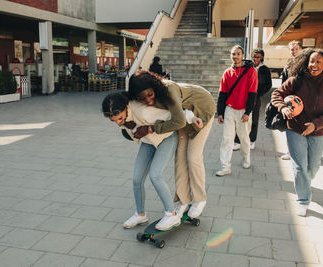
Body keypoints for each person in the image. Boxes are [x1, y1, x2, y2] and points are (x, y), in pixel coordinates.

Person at [102, 92, 202, 230]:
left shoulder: (143, 112)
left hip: (166, 138)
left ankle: (171, 213)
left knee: (155, 175)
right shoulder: (124, 116)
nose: (119, 123)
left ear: (126, 107)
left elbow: (174, 115)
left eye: (120, 119)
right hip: (148, 141)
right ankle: (140, 214)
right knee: (137, 178)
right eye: (114, 121)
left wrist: (192, 117)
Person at [128, 70, 216, 219]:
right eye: (142, 98)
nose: (148, 100)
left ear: (154, 87)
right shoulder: (142, 97)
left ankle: (200, 199)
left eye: (150, 95)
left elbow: (179, 121)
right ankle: (183, 200)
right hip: (182, 117)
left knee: (193, 157)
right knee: (180, 159)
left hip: (201, 109)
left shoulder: (168, 90)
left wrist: (151, 128)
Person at [271, 48, 323, 216]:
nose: (314, 64)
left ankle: (305, 183)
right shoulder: (296, 80)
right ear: (307, 63)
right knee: (299, 167)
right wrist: (282, 107)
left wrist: (316, 124)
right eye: (312, 61)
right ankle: (303, 200)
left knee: (312, 167)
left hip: (317, 132)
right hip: (295, 129)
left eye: (318, 62)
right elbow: (277, 93)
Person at [216, 45, 258, 176]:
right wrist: (220, 112)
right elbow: (222, 94)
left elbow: (252, 93)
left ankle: (246, 157)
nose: (235, 56)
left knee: (244, 138)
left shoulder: (251, 71)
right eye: (233, 54)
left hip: (243, 110)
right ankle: (225, 166)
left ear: (242, 55)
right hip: (229, 109)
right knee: (227, 139)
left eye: (238, 54)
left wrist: (248, 112)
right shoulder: (227, 72)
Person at [233, 48, 272, 151]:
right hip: (243, 97)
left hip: (255, 98)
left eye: (258, 57)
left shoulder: (265, 69)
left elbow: (268, 85)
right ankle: (237, 141)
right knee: (240, 119)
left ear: (262, 57)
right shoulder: (247, 67)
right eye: (254, 56)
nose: (255, 59)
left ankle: (252, 141)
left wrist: (257, 94)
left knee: (254, 120)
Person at [280, 40, 303, 160]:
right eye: (291, 49)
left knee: (301, 126)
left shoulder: (306, 63)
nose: (293, 51)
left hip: (302, 100)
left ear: (301, 49)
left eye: (295, 49)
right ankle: (290, 151)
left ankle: (301, 150)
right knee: (290, 125)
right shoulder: (289, 64)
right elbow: (283, 82)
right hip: (290, 100)